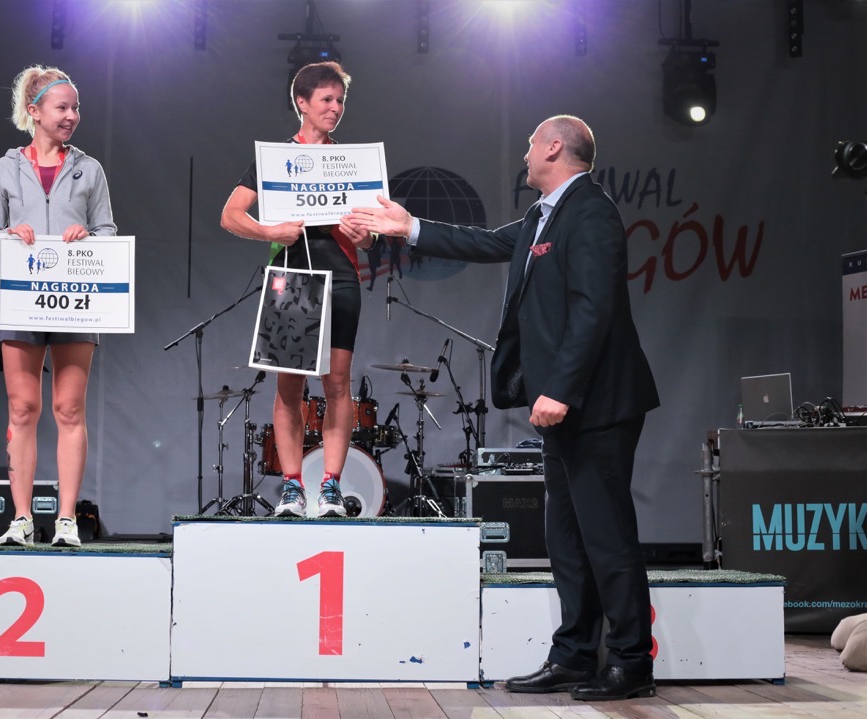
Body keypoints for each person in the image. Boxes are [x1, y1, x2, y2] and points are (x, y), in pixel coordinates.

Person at [344, 115, 660, 701]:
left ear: (555, 147)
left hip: (597, 403)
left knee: (607, 535)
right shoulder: (545, 215)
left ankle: (631, 661)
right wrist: (409, 227)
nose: (525, 154)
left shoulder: (590, 212)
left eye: (532, 144)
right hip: (568, 405)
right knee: (566, 539)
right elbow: (487, 242)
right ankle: (574, 655)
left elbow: (595, 308)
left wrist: (561, 389)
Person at [221, 61, 373, 518]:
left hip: (342, 276)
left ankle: (330, 487)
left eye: (340, 100)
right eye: (326, 99)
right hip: (292, 276)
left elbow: (371, 234)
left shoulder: (350, 163)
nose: (335, 108)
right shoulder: (275, 159)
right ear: (302, 103)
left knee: (338, 384)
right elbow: (231, 215)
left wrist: (366, 237)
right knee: (290, 387)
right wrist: (271, 231)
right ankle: (291, 487)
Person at [0, 66, 116, 547]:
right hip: (23, 300)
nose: (72, 115)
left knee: (69, 408)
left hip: (75, 301)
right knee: (22, 408)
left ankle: (67, 519)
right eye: (62, 107)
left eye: (76, 107)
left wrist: (88, 236)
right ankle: (21, 518)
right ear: (34, 111)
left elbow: (108, 231)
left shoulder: (90, 169)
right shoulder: (5, 168)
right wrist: (8, 237)